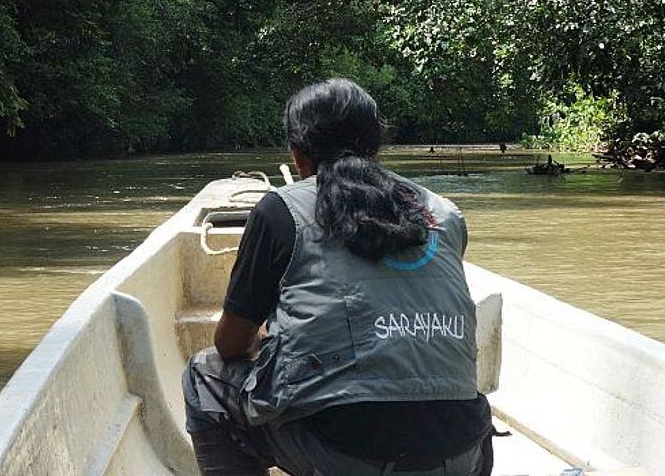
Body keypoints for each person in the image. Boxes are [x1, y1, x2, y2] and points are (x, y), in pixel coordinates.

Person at [182, 78, 493, 475]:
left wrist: (272, 347)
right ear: (377, 147)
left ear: (297, 155)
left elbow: (229, 344)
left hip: (340, 454)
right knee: (463, 402)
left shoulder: (280, 211)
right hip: (460, 452)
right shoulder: (444, 214)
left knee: (203, 375)